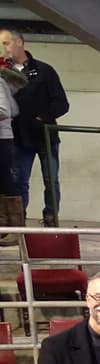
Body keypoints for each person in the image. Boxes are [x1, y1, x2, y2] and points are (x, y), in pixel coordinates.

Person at [0, 28, 68, 228]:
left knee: (51, 179)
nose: (3, 48)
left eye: (6, 43)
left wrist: (42, 118)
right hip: (19, 137)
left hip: (45, 136)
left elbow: (62, 103)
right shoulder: (4, 73)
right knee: (20, 180)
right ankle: (19, 220)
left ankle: (51, 217)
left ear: (19, 43)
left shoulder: (44, 70)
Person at [0, 59, 26, 246]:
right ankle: (3, 226)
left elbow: (4, 110)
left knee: (6, 180)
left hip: (2, 138)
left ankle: (17, 229)